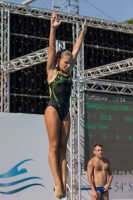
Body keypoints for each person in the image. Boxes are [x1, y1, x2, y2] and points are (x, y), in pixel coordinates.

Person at [44, 12, 87, 199]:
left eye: (71, 63)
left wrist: (82, 33)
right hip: (53, 109)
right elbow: (52, 48)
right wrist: (53, 28)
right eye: (66, 62)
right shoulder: (52, 71)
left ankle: (63, 182)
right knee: (54, 146)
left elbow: (76, 49)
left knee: (63, 147)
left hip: (65, 112)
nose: (69, 65)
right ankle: (57, 182)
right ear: (59, 62)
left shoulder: (69, 73)